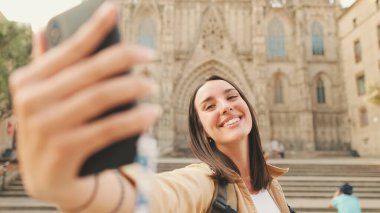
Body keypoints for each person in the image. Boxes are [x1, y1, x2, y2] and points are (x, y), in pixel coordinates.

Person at [10, 2, 291, 212]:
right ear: (201, 130)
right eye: (208, 106)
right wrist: (75, 186)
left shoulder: (271, 185)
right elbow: (154, 198)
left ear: (249, 107)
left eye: (232, 97)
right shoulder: (204, 182)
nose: (226, 107)